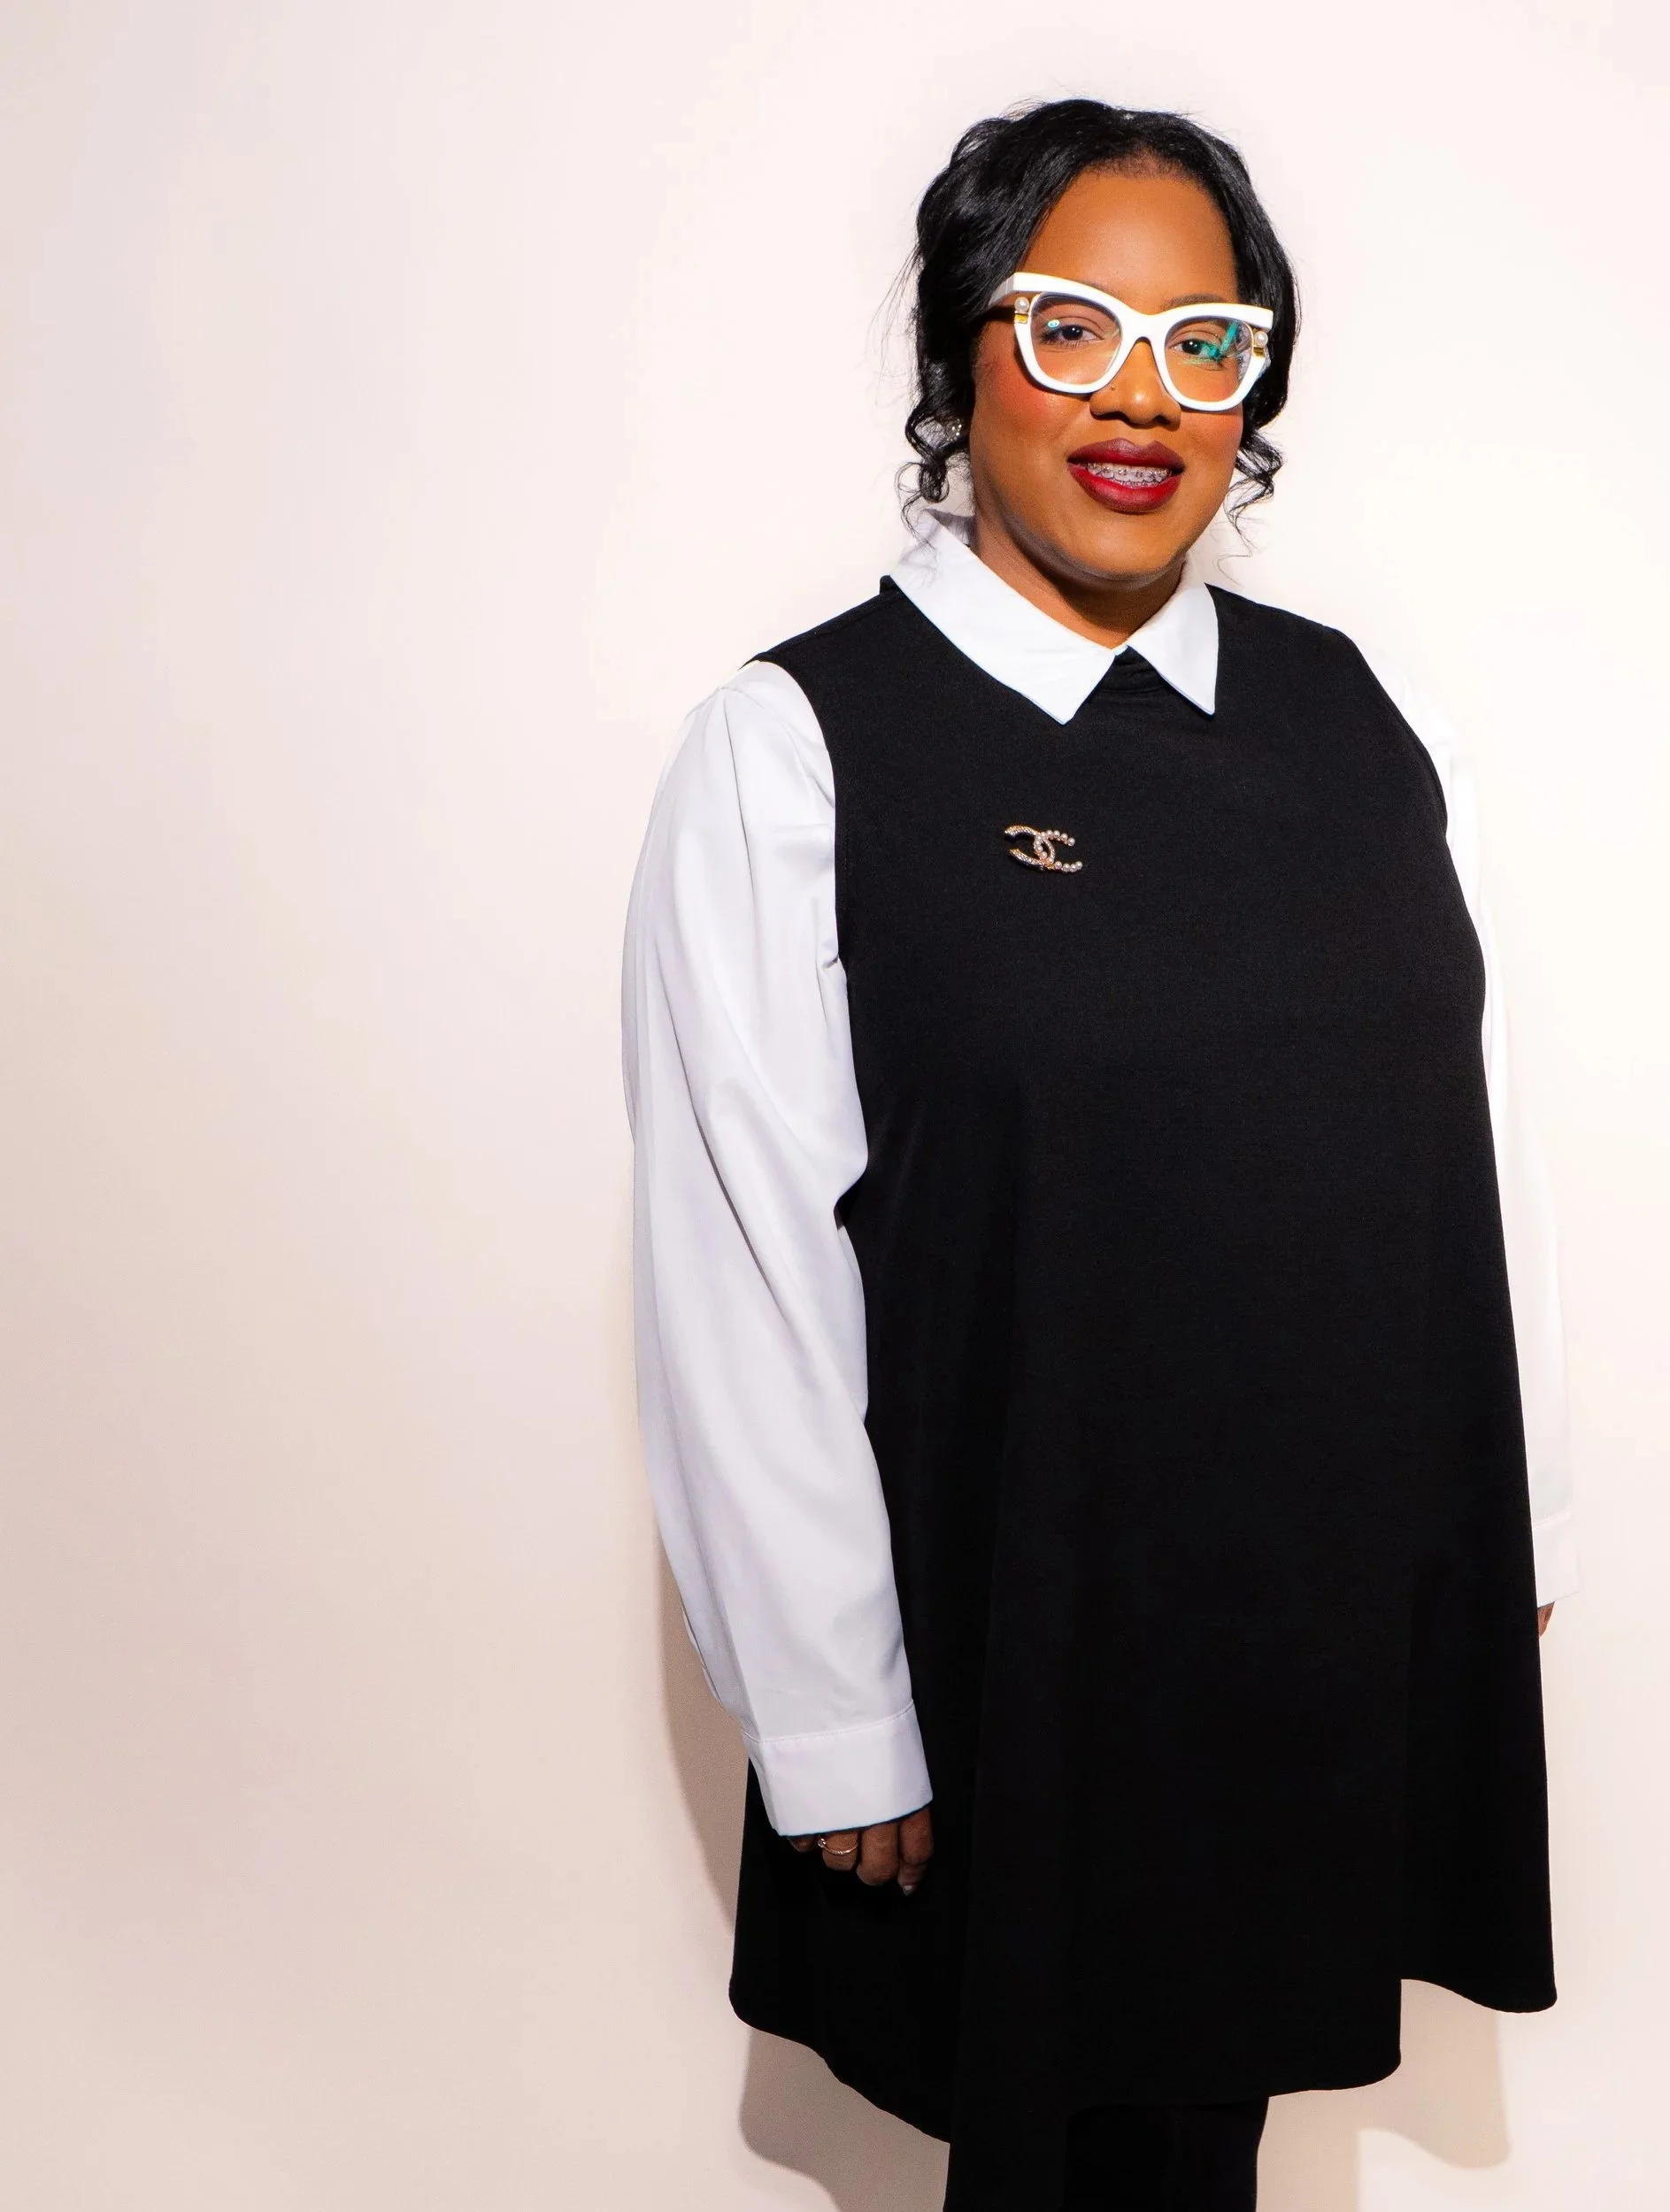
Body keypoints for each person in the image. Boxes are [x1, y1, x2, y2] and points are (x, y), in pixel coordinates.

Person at [621, 97, 1579, 2212]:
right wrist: (834, 1706)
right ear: (961, 350)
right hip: (1021, 1633)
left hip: (1322, 1610)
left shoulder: (1354, 718)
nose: (1137, 398)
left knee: (1222, 2140)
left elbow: (1446, 1153)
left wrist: (1506, 1530)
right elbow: (742, 1262)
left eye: (1200, 344)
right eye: (1067, 329)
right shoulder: (800, 747)